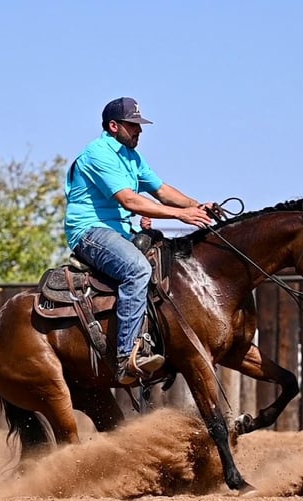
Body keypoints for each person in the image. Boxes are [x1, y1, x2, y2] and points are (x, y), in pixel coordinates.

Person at [64, 96, 213, 385]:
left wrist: (196, 206)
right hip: (90, 232)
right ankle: (127, 357)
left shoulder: (132, 157)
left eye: (139, 125)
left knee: (167, 264)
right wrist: (180, 216)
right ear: (113, 126)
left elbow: (161, 190)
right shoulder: (97, 154)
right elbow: (129, 200)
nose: (139, 131)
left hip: (119, 232)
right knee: (138, 270)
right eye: (133, 125)